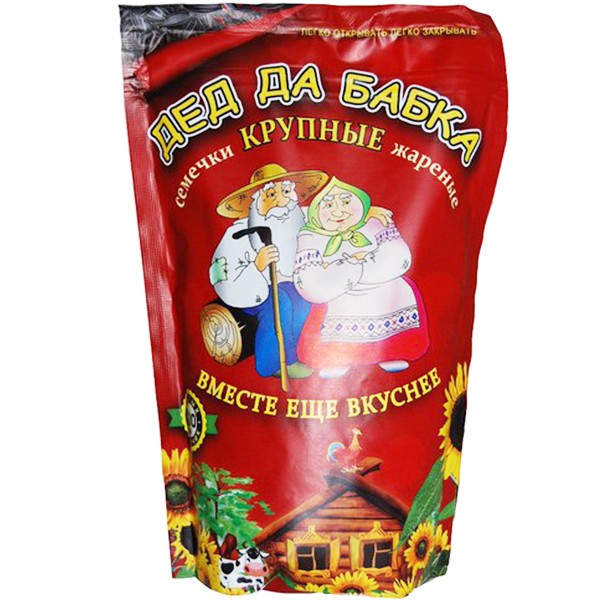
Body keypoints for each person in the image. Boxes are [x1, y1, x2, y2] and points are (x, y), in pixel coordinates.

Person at [293, 177, 429, 378]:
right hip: (336, 291)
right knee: (329, 309)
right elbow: (307, 278)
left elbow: (399, 256)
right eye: (328, 206)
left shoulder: (376, 223)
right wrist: (350, 268)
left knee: (398, 292)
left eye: (346, 202)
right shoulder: (310, 236)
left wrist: (364, 267)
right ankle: (332, 359)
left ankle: (392, 353)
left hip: (381, 285)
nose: (339, 212)